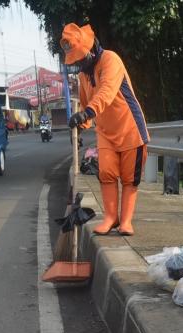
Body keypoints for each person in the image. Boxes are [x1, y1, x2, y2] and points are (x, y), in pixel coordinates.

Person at [61, 23, 149, 236]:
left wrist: (87, 112)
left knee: (129, 178)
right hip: (106, 132)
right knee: (106, 173)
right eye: (76, 61)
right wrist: (80, 126)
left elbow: (106, 92)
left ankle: (126, 221)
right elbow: (85, 103)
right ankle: (111, 217)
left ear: (90, 50)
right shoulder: (84, 76)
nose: (79, 64)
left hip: (130, 128)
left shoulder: (111, 59)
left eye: (80, 59)